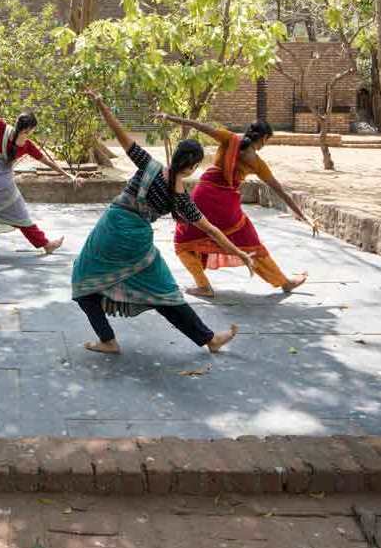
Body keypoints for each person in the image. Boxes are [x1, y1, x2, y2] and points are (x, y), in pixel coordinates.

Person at [71, 89, 249, 356]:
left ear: (176, 156)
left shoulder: (149, 166)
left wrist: (100, 103)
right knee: (164, 292)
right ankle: (209, 339)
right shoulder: (182, 199)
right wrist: (240, 253)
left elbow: (121, 134)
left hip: (111, 229)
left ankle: (107, 340)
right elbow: (211, 230)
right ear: (192, 167)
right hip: (137, 243)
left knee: (83, 280)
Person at [157, 114, 310, 297]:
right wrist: (301, 214)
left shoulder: (229, 139)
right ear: (263, 139)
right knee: (252, 244)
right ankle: (284, 282)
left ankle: (203, 286)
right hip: (227, 208)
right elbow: (280, 190)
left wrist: (168, 117)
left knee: (183, 240)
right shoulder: (257, 163)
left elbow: (198, 125)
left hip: (202, 197)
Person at [0, 90, 78, 258]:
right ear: (30, 128)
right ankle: (46, 244)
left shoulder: (4, 129)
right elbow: (48, 162)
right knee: (20, 215)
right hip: (3, 183)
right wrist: (68, 175)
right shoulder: (28, 145)